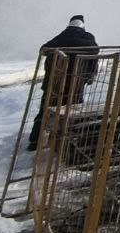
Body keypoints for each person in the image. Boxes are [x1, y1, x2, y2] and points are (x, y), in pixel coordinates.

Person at [27, 14, 99, 152]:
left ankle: (34, 142)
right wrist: (90, 76)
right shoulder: (87, 37)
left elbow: (44, 49)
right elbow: (95, 50)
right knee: (72, 113)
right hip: (76, 83)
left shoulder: (61, 37)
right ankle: (68, 142)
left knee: (45, 111)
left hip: (54, 84)